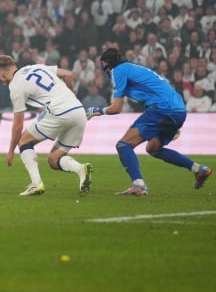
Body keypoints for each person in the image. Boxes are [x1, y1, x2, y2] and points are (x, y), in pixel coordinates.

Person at [86, 48, 212, 195]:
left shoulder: (117, 71)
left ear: (106, 63)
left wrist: (97, 111)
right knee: (153, 148)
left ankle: (138, 186)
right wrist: (171, 122)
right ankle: (198, 169)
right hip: (178, 110)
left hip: (162, 109)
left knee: (123, 145)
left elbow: (116, 108)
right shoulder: (132, 68)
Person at [0, 55, 93, 196]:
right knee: (53, 160)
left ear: (1, 73)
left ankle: (36, 183)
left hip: (58, 110)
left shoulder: (15, 85)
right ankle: (81, 169)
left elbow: (18, 124)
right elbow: (68, 75)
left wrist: (11, 150)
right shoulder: (36, 67)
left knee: (23, 141)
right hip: (78, 110)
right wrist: (71, 95)